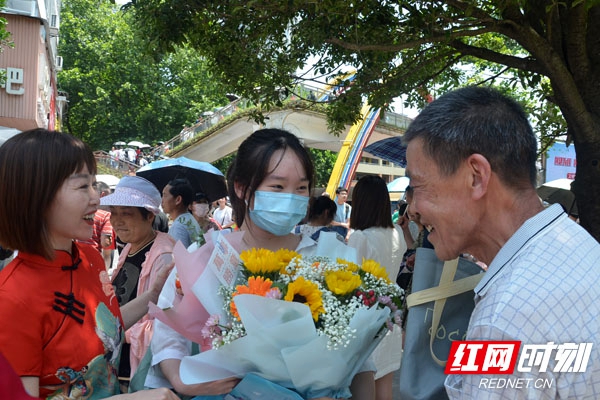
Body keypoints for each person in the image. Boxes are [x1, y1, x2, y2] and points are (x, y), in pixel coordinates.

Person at [146, 128, 374, 399]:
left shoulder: (331, 258)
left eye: (301, 188)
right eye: (277, 187)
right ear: (242, 188)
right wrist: (180, 380)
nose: (291, 196)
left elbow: (360, 353)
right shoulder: (209, 256)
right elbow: (169, 330)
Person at [402, 86, 600, 399]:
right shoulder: (578, 246)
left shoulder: (505, 319)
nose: (412, 208)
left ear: (476, 176)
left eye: (417, 186)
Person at [0, 128, 177, 399]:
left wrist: (152, 296)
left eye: (94, 185)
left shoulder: (90, 258)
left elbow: (107, 329)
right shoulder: (12, 298)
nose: (96, 199)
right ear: (36, 196)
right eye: (83, 186)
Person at [100, 175, 177, 388]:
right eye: (114, 213)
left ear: (149, 216)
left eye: (126, 213)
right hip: (117, 359)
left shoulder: (164, 256)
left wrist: (119, 332)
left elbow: (167, 320)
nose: (117, 220)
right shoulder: (129, 247)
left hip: (137, 368)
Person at [347, 175, 407, 400]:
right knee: (385, 386)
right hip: (391, 315)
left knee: (364, 387)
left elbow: (351, 281)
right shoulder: (397, 233)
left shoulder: (360, 237)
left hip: (366, 318)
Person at [78, 180, 115, 271]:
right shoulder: (106, 216)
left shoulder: (78, 212)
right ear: (103, 195)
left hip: (77, 260)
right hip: (94, 263)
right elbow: (106, 243)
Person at [162, 178, 202, 248]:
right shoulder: (189, 219)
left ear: (178, 200)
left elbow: (179, 257)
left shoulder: (178, 227)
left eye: (165, 195)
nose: (162, 200)